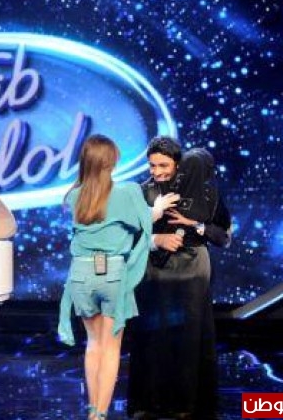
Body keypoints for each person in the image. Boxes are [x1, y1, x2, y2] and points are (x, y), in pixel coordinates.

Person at [58, 134, 178, 420]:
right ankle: (100, 414)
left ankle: (92, 411)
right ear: (110, 162)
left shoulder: (74, 196)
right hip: (111, 275)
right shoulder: (127, 192)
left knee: (93, 344)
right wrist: (158, 208)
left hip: (80, 276)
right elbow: (143, 221)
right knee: (110, 347)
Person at [126, 136, 232, 420]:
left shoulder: (207, 193)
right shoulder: (142, 191)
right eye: (152, 165)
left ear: (178, 164)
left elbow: (224, 237)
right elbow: (125, 236)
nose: (157, 171)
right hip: (153, 269)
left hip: (193, 269)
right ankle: (149, 404)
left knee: (189, 339)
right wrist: (156, 239)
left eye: (164, 165)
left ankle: (187, 404)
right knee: (151, 336)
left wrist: (195, 225)